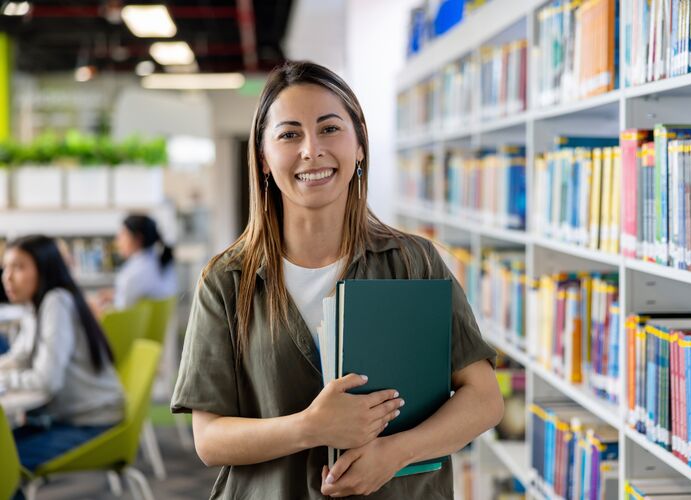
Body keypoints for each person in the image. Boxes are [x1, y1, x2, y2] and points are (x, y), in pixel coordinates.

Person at [171, 60, 504, 499]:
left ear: (360, 145)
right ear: (264, 159)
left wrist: (396, 453)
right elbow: (209, 439)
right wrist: (310, 428)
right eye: (289, 134)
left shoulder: (412, 263)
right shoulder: (228, 280)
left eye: (330, 128)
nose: (312, 150)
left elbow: (484, 399)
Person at [0, 235, 125, 472]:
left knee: (3, 464)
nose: (7, 276)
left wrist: (4, 380)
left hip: (92, 422)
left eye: (18, 267)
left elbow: (47, 381)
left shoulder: (56, 303)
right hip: (69, 417)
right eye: (6, 267)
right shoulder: (35, 306)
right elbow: (18, 358)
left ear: (44, 268)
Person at [97, 214, 177, 312]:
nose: (118, 240)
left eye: (123, 234)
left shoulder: (131, 275)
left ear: (138, 239)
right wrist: (115, 296)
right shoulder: (157, 262)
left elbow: (121, 312)